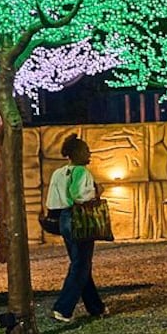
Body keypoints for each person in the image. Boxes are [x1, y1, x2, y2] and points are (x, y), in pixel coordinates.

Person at [47, 134, 108, 323]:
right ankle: (63, 308)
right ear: (78, 153)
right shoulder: (82, 172)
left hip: (64, 218)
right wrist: (97, 191)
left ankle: (96, 307)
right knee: (80, 265)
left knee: (80, 264)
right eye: (86, 149)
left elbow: (53, 200)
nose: (89, 152)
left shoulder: (58, 173)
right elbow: (80, 195)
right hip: (80, 218)